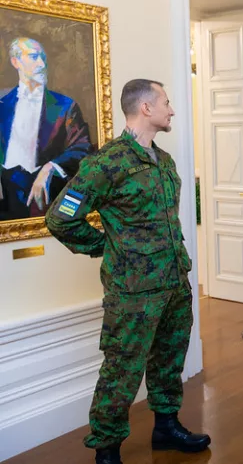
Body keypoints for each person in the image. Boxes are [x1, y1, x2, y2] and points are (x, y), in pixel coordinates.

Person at [45, 79, 210, 464]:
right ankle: (107, 449)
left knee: (169, 359)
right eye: (166, 102)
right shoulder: (107, 163)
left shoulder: (163, 161)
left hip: (174, 283)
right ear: (146, 108)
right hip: (134, 294)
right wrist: (106, 246)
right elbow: (60, 218)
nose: (172, 109)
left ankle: (166, 427)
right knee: (122, 371)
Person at [0, 37, 92, 220]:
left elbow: (82, 148)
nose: (42, 64)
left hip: (46, 195)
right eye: (34, 57)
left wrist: (51, 167)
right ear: (15, 62)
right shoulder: (2, 103)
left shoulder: (66, 106)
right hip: (5, 196)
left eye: (43, 58)